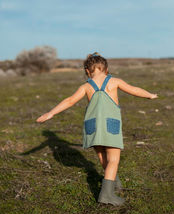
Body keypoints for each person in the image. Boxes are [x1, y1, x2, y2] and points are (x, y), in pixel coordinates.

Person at [36, 52, 158, 206]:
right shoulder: (114, 81)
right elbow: (134, 89)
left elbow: (70, 101)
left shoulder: (86, 86)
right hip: (110, 125)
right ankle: (107, 195)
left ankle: (114, 183)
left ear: (87, 71)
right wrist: (149, 95)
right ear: (106, 69)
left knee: (103, 158)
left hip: (91, 126)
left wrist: (50, 113)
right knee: (113, 159)